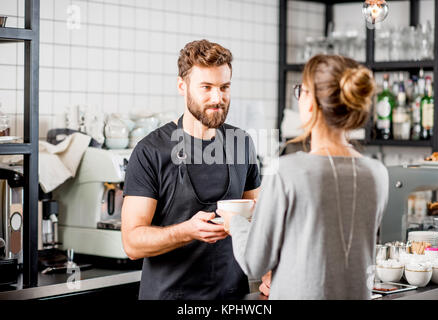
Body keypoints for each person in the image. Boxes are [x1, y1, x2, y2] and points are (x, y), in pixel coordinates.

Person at [218, 54, 389, 300]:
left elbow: (254, 263)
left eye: (301, 91)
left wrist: (235, 222)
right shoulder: (378, 173)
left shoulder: (287, 171)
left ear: (310, 102)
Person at [121, 39, 261, 300]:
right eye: (206, 87)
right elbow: (132, 243)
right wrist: (186, 231)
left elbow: (259, 219)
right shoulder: (150, 151)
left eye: (224, 87)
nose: (217, 98)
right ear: (181, 86)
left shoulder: (242, 143)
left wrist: (269, 272)